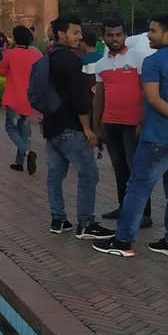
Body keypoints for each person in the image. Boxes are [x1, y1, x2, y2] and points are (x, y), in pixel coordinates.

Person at [93, 14, 168, 259]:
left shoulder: (154, 62)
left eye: (153, 31)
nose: (148, 35)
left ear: (167, 34)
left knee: (137, 187)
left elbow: (153, 99)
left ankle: (123, 240)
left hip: (157, 136)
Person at [38, 14, 113, 240]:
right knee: (88, 174)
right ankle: (85, 223)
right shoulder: (71, 61)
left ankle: (58, 219)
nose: (80, 38)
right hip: (71, 126)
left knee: (55, 174)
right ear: (62, 34)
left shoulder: (47, 57)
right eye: (76, 33)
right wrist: (89, 129)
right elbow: (79, 100)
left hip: (51, 125)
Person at [94, 16, 152, 229]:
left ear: (125, 36)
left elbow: (148, 93)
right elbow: (99, 96)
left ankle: (144, 214)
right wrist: (96, 125)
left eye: (119, 34)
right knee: (119, 169)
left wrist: (142, 122)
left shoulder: (139, 59)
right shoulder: (101, 63)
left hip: (132, 124)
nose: (115, 38)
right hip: (110, 123)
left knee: (137, 169)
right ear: (104, 37)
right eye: (110, 35)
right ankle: (124, 208)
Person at [0, 25, 40, 174]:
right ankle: (19, 162)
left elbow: (1, 71)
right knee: (24, 131)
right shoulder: (35, 55)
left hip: (13, 98)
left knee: (11, 128)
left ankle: (27, 153)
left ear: (15, 38)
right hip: (29, 99)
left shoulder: (10, 54)